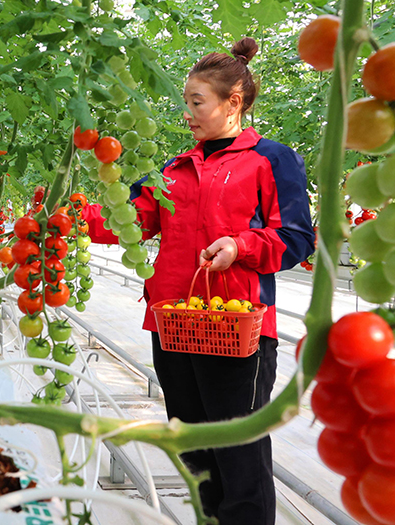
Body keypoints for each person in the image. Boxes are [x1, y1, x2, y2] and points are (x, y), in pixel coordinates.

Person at [89, 38, 315, 524]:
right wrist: (70, 215)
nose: (188, 113)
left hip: (239, 333)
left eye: (197, 102)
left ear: (234, 102)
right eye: (186, 102)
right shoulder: (169, 168)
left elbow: (296, 238)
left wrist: (240, 246)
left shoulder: (271, 159)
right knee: (193, 452)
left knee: (238, 453)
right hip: (172, 324)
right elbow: (129, 221)